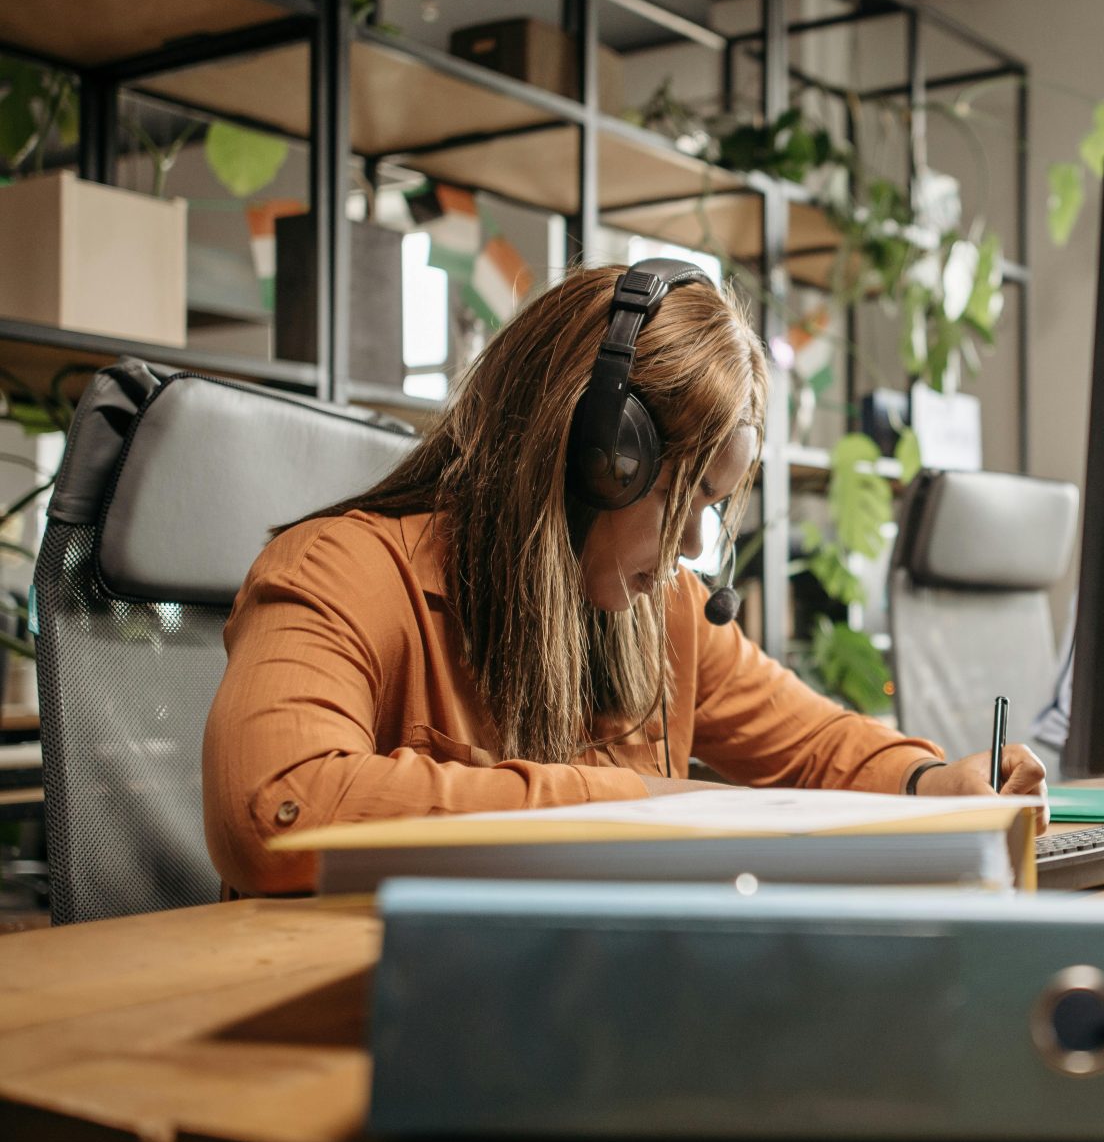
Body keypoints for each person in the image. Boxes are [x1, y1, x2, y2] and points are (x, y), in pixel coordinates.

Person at [203, 261, 1044, 895]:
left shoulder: (664, 614)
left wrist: (934, 781)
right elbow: (274, 808)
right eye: (682, 497)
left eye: (712, 504)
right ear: (594, 459)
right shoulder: (340, 572)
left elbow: (819, 745)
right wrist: (630, 803)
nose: (689, 548)